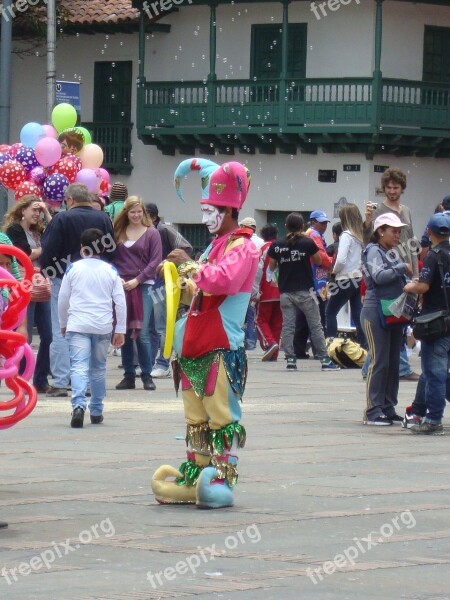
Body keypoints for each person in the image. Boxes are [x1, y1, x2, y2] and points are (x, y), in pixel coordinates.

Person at [151, 158, 258, 509]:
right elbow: (200, 285)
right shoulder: (216, 245)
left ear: (227, 210)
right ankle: (197, 473)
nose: (205, 217)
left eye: (210, 210)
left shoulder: (244, 246)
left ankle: (222, 480)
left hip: (220, 345)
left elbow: (221, 280)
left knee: (222, 417)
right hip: (195, 343)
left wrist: (189, 265)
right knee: (195, 417)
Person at [40, 183, 115, 398]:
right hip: (96, 277)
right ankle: (89, 382)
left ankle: (61, 381)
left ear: (69, 200)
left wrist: (49, 270)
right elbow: (111, 248)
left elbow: (49, 249)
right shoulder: (102, 218)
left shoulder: (61, 219)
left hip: (64, 276)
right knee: (91, 329)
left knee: (61, 327)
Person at [58, 228, 126, 428]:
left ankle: (78, 406)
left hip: (77, 324)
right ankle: (96, 410)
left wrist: (63, 323)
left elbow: (63, 299)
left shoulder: (72, 269)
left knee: (78, 365)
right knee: (98, 369)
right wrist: (120, 328)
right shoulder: (111, 271)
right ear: (103, 247)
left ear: (81, 247)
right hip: (103, 325)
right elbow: (120, 301)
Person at [363, 167, 420, 382]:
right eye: (388, 187)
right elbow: (368, 239)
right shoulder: (379, 210)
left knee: (397, 320)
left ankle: (372, 366)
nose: (392, 191)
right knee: (393, 318)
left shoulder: (406, 211)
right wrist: (368, 220)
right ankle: (399, 367)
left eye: (396, 187)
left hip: (405, 266)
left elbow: (412, 241)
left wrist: (415, 272)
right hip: (387, 265)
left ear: (402, 189)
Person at [268, 212, 340, 372]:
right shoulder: (307, 243)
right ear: (302, 226)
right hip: (306, 291)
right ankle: (325, 361)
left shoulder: (277, 245)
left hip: (286, 291)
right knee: (316, 326)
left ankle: (291, 360)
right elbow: (319, 261)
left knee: (288, 326)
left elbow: (272, 267)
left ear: (285, 226)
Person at [362, 213, 413, 426]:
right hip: (375, 311)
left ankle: (388, 406)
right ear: (380, 231)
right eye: (393, 230)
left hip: (390, 311)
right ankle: (373, 410)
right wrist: (402, 268)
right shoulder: (374, 250)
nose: (397, 234)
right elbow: (379, 277)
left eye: (399, 231)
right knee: (380, 361)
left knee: (392, 362)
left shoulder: (389, 251)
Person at [403, 212, 450, 435]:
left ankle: (433, 419)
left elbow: (424, 287)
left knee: (434, 373)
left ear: (429, 232)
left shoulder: (433, 255)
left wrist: (410, 287)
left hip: (436, 322)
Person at [3, 196, 53, 393]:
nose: (36, 214)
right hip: (24, 284)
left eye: (39, 211)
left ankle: (40, 380)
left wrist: (48, 213)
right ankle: (23, 379)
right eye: (33, 209)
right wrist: (42, 249)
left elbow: (54, 234)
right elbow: (22, 253)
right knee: (25, 335)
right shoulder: (14, 230)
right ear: (22, 210)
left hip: (41, 283)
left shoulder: (38, 231)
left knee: (48, 335)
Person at [113, 196, 162, 391]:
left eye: (139, 211)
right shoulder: (118, 232)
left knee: (142, 332)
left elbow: (155, 261)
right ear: (126, 212)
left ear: (143, 213)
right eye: (132, 211)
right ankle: (128, 374)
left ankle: (146, 374)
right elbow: (111, 257)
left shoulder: (152, 234)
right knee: (123, 329)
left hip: (144, 285)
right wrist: (118, 278)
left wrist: (137, 280)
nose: (135, 215)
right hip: (122, 284)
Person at [145, 202, 193, 378]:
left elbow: (186, 247)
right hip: (148, 283)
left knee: (162, 325)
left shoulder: (164, 230)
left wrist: (170, 264)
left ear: (153, 217)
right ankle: (147, 363)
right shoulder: (141, 233)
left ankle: (163, 362)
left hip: (164, 283)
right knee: (149, 326)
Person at [326, 204, 366, 346]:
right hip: (358, 278)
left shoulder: (346, 236)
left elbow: (341, 259)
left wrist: (334, 271)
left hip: (344, 279)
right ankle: (365, 346)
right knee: (358, 315)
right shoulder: (360, 236)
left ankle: (331, 345)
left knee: (330, 313)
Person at [253, 223, 282, 361]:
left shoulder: (263, 249)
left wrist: (254, 291)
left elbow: (257, 271)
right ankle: (274, 352)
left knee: (260, 320)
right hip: (281, 292)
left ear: (263, 236)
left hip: (265, 291)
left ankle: (270, 343)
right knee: (277, 322)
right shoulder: (283, 248)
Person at [239, 217, 264, 350]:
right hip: (257, 280)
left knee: (245, 311)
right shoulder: (261, 242)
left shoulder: (242, 241)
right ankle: (251, 340)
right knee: (252, 313)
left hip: (244, 280)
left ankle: (246, 340)